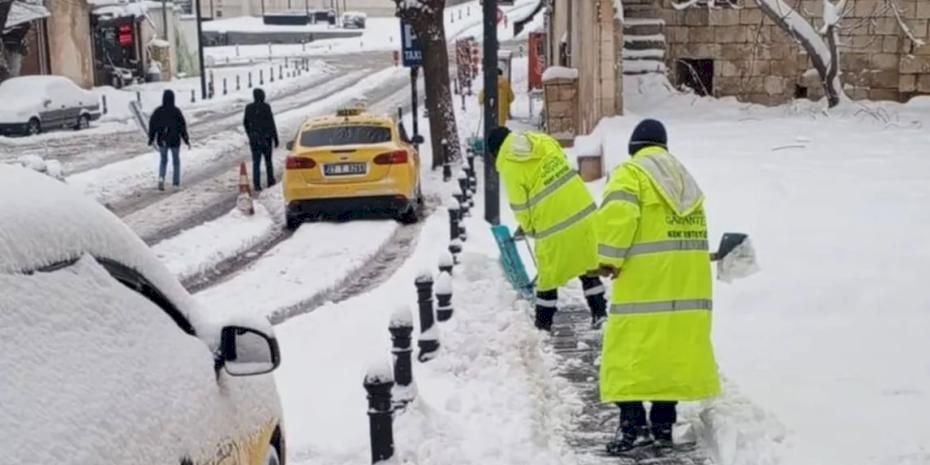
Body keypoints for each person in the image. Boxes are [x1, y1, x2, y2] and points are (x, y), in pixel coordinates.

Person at [595, 119, 720, 455]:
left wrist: (608, 260)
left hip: (644, 286)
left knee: (627, 355)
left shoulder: (632, 173)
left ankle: (633, 429)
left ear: (634, 147)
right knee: (670, 354)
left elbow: (618, 217)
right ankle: (663, 425)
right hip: (686, 287)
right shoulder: (684, 178)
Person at [487, 126, 607, 331]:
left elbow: (520, 205)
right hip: (583, 210)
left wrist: (529, 227)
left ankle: (543, 325)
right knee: (587, 266)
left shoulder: (509, 164)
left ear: (497, 151)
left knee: (548, 276)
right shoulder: (540, 141)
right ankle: (600, 314)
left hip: (553, 223)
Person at [147, 90, 190, 191]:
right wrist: (186, 139)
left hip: (162, 139)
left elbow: (152, 125)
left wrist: (151, 138)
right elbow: (182, 126)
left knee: (163, 160)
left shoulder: (158, 111)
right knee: (176, 161)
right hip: (175, 140)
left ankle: (161, 179)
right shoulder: (176, 111)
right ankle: (176, 183)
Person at [243, 88, 280, 192]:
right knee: (268, 161)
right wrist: (275, 138)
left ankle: (257, 184)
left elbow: (245, 122)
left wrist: (250, 134)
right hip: (266, 139)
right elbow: (271, 123)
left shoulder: (249, 108)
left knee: (256, 162)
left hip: (255, 140)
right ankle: (270, 180)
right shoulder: (266, 107)